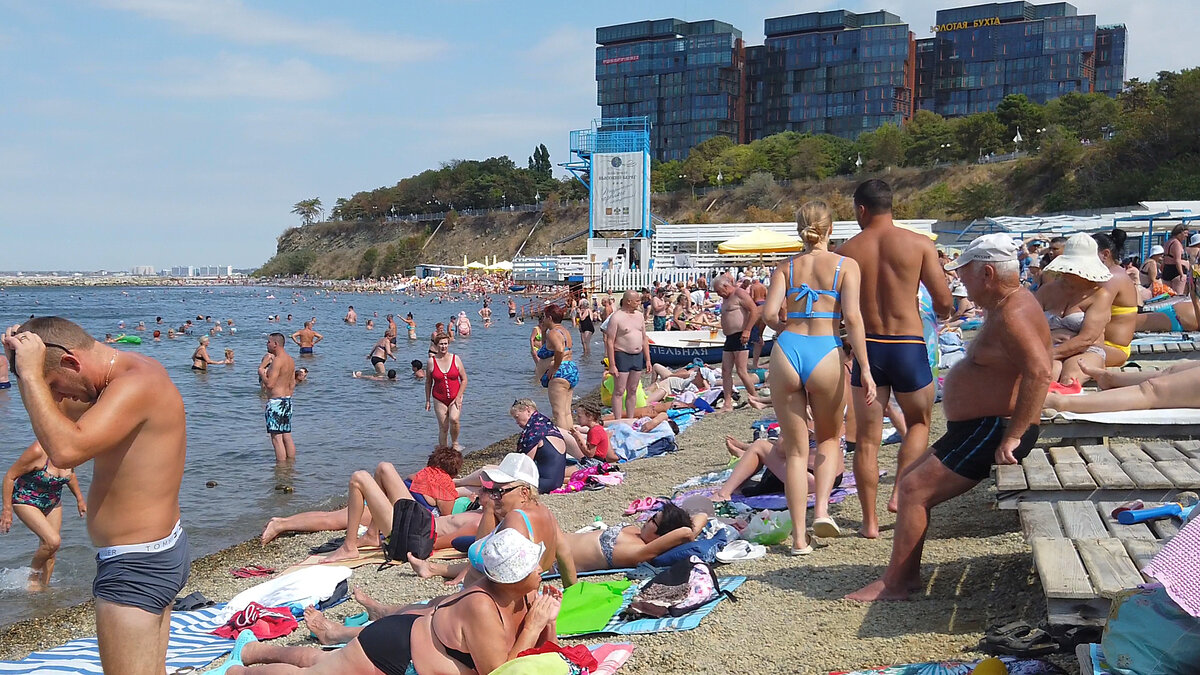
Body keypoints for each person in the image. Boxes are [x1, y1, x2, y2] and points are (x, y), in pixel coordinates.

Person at [847, 234, 1050, 602]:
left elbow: (1039, 371)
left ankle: (898, 584)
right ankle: (899, 577)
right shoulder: (1010, 305)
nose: (961, 283)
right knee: (910, 480)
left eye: (966, 275)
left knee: (913, 490)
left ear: (987, 273)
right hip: (982, 426)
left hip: (993, 427)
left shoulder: (1013, 312)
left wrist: (1016, 434)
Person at [3, 317, 189, 674]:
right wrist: (21, 365)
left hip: (136, 565)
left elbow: (65, 450)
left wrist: (30, 375)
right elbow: (57, 420)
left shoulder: (136, 385)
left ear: (72, 362)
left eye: (57, 385)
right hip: (154, 552)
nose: (59, 398)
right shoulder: (123, 379)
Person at [230, 529, 562, 675]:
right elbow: (502, 673)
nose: (540, 568)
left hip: (413, 641)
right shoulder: (482, 606)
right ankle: (237, 672)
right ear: (510, 577)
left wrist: (549, 622)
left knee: (321, 661)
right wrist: (534, 625)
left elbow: (542, 655)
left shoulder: (527, 593)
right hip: (394, 646)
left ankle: (255, 652)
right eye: (533, 565)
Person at [837, 179, 953, 538]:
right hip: (908, 344)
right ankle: (899, 492)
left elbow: (838, 310)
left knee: (867, 440)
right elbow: (945, 303)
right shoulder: (919, 244)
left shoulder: (847, 251)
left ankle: (869, 523)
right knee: (918, 423)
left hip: (868, 349)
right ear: (891, 205)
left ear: (861, 209)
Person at [762, 200, 876, 547]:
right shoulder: (846, 266)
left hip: (788, 350)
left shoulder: (785, 268)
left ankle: (799, 539)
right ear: (830, 229)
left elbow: (768, 315)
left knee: (795, 452)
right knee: (829, 438)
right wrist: (866, 369)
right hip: (826, 349)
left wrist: (786, 329)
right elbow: (853, 319)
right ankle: (823, 511)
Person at [322, 447, 469, 563]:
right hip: (413, 526)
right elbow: (446, 517)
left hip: (410, 534)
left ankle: (349, 547)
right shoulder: (447, 487)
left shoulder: (422, 474)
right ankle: (372, 534)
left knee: (362, 476)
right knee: (383, 467)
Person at [2, 440, 85, 590]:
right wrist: (7, 510)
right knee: (52, 541)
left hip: (53, 502)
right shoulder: (37, 451)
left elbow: (70, 476)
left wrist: (79, 499)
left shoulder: (69, 451)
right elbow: (9, 477)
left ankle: (43, 589)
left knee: (52, 551)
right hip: (26, 500)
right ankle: (33, 575)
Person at [1036, 233, 1114, 386]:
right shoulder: (1046, 291)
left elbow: (1087, 339)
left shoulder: (1099, 295)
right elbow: (1029, 325)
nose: (1067, 272)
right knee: (1045, 376)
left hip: (1088, 350)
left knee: (1070, 378)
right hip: (1048, 348)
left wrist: (1049, 353)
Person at [562, 503, 706, 572]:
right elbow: (702, 516)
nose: (648, 519)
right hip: (556, 539)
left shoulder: (639, 552)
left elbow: (685, 532)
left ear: (662, 535)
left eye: (653, 520)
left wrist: (686, 538)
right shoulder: (638, 534)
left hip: (551, 558)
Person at [711, 436, 845, 503]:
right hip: (834, 477)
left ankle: (723, 493)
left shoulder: (803, 409)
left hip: (810, 479)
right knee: (764, 448)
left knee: (760, 446)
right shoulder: (831, 402)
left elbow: (781, 450)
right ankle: (746, 453)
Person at [713, 274, 762, 413]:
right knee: (726, 370)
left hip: (741, 335)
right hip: (729, 337)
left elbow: (754, 310)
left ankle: (755, 397)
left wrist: (747, 330)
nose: (718, 294)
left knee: (741, 371)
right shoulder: (726, 299)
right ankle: (727, 403)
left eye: (718, 291)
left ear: (726, 286)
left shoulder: (739, 293)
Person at [1094, 230, 1139, 367]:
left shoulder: (1112, 277)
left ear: (1105, 254)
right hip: (1105, 346)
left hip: (1113, 349)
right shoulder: (1114, 273)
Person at [605, 290, 651, 420]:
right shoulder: (616, 317)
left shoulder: (639, 315)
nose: (639, 302)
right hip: (622, 355)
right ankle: (618, 419)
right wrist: (612, 365)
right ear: (628, 301)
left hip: (637, 355)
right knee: (619, 390)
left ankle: (630, 418)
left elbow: (644, 338)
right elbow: (610, 341)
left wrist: (648, 359)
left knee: (633, 389)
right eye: (637, 300)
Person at [535, 305, 578, 430]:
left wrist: (555, 367)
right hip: (570, 370)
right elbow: (549, 347)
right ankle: (570, 438)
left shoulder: (553, 333)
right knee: (566, 411)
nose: (542, 320)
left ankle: (563, 443)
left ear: (549, 317)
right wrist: (543, 332)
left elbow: (559, 350)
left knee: (558, 413)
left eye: (544, 317)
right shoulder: (564, 331)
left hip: (560, 373)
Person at [259, 333, 297, 463]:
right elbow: (292, 383)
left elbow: (269, 384)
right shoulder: (290, 360)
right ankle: (290, 465)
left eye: (268, 342)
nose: (267, 344)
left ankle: (281, 468)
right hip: (286, 400)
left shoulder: (277, 360)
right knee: (287, 435)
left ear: (275, 344)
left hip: (276, 402)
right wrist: (287, 396)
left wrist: (261, 370)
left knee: (276, 438)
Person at [426, 332, 466, 449]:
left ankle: (455, 444)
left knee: (454, 419)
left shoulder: (456, 359)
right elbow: (428, 382)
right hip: (439, 398)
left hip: (455, 396)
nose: (443, 346)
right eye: (441, 344)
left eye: (445, 344)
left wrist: (459, 397)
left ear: (448, 344)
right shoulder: (431, 362)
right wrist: (427, 400)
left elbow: (464, 379)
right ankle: (443, 450)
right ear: (436, 345)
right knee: (443, 427)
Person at [1163, 224, 1191, 295]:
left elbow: (1165, 258)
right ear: (1179, 233)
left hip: (1167, 270)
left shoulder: (1168, 242)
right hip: (1176, 271)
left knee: (1167, 295)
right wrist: (1181, 274)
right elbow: (1177, 260)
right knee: (1178, 295)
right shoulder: (1176, 243)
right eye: (1185, 233)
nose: (1186, 235)